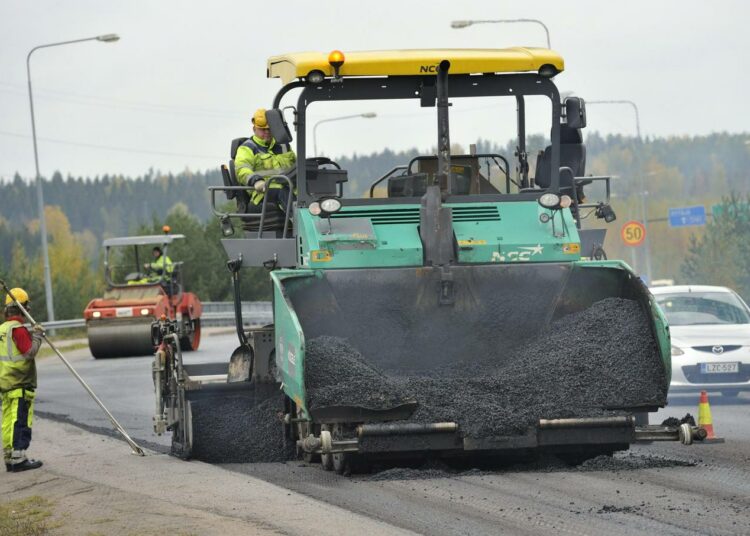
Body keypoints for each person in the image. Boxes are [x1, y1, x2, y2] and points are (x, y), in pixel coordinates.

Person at [0, 288, 43, 472]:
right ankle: (19, 459)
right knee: (20, 421)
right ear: (23, 309)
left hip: (6, 384)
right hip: (19, 384)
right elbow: (29, 352)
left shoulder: (2, 329)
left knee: (8, 422)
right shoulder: (18, 330)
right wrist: (38, 337)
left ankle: (10, 457)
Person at [235, 108, 296, 213]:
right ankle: (300, 225)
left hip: (289, 187)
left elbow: (296, 166)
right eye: (263, 129)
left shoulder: (283, 146)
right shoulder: (247, 148)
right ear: (254, 129)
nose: (267, 132)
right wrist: (256, 181)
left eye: (269, 129)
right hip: (263, 191)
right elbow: (242, 169)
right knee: (283, 192)